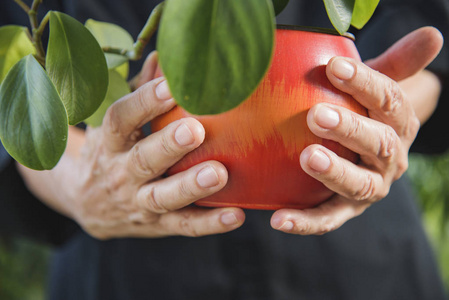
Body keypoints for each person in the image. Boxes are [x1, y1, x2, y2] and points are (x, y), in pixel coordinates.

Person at [1, 0, 448, 299]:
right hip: (125, 261)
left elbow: (425, 35)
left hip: (358, 260)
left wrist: (389, 109)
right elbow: (22, 116)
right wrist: (75, 181)